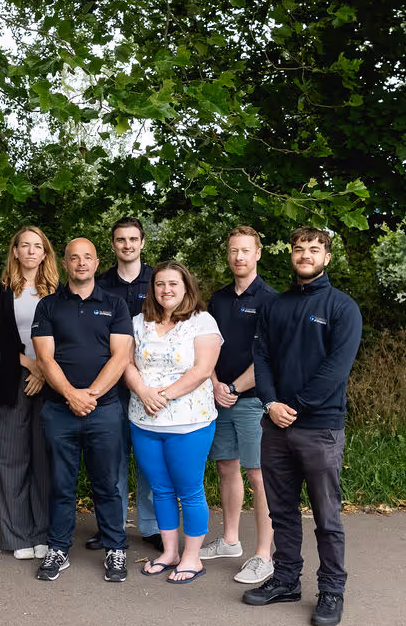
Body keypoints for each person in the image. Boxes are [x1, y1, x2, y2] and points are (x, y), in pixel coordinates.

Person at [243, 227, 362, 626]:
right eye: (298, 249)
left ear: (326, 257)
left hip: (320, 428)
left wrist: (292, 406)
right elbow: (261, 357)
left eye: (314, 249)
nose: (305, 255)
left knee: (326, 516)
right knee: (282, 511)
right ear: (291, 255)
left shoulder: (342, 307)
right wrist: (270, 403)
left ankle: (331, 589)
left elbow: (336, 370)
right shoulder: (275, 306)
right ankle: (286, 579)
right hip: (275, 425)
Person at [32, 238, 133, 583]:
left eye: (87, 257)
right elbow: (45, 358)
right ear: (65, 263)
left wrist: (89, 395)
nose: (81, 263)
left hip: (104, 411)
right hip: (59, 411)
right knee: (61, 484)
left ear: (96, 262)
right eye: (74, 258)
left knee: (107, 483)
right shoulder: (48, 306)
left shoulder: (115, 304)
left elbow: (121, 356)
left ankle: (115, 549)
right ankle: (58, 549)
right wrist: (70, 395)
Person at [123, 261, 222, 583]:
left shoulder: (202, 321)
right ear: (152, 289)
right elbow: (125, 363)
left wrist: (163, 396)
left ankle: (192, 557)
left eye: (173, 284)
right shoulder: (138, 322)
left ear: (186, 287)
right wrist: (142, 391)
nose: (166, 290)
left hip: (189, 423)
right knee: (160, 490)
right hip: (144, 421)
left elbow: (202, 370)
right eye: (160, 284)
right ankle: (169, 552)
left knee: (189, 490)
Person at [203, 226, 279, 585]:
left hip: (253, 402)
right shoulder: (218, 300)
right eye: (233, 250)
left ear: (258, 253)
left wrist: (233, 387)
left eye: (245, 250)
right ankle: (230, 541)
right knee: (226, 467)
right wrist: (215, 383)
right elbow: (206, 346)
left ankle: (264, 555)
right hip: (219, 398)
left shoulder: (271, 300)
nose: (239, 257)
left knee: (258, 476)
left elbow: (268, 356)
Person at [0, 226, 59, 560]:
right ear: (14, 251)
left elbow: (67, 337)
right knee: (12, 458)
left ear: (45, 253)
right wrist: (31, 365)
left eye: (37, 246)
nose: (31, 251)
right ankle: (17, 536)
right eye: (24, 245)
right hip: (12, 380)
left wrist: (44, 371)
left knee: (44, 461)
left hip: (51, 382)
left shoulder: (58, 292)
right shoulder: (1, 291)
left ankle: (42, 532)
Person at [94, 217, 159, 551]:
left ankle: (152, 527)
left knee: (149, 460)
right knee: (112, 459)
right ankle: (113, 526)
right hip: (112, 385)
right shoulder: (100, 285)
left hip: (152, 385)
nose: (127, 245)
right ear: (113, 244)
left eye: (133, 239)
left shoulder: (159, 281)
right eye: (121, 240)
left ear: (142, 243)